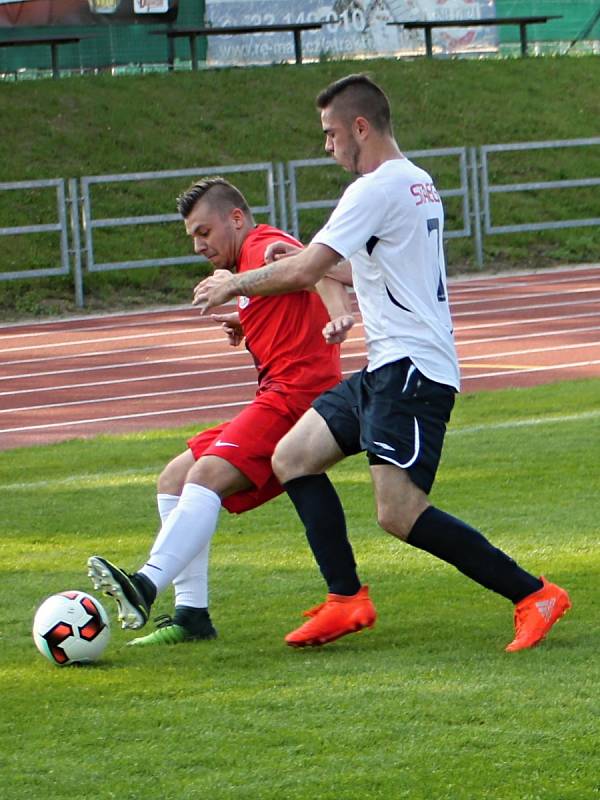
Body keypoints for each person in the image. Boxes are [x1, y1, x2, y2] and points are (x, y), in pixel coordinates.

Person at [193, 74, 572, 653]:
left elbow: (304, 270)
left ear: (360, 128)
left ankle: (532, 593)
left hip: (412, 370)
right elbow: (364, 269)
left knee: (398, 512)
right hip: (386, 366)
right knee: (292, 455)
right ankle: (346, 600)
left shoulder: (372, 189)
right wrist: (286, 284)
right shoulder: (417, 182)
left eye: (330, 133)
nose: (327, 146)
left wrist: (234, 284)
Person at [87, 176, 348, 646]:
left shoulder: (266, 243)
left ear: (235, 218)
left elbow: (320, 268)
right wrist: (246, 321)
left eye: (204, 232)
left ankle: (144, 585)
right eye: (192, 236)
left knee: (204, 475)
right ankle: (192, 616)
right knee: (173, 478)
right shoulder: (246, 265)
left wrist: (339, 316)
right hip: (278, 393)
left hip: (298, 397)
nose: (198, 245)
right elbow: (283, 298)